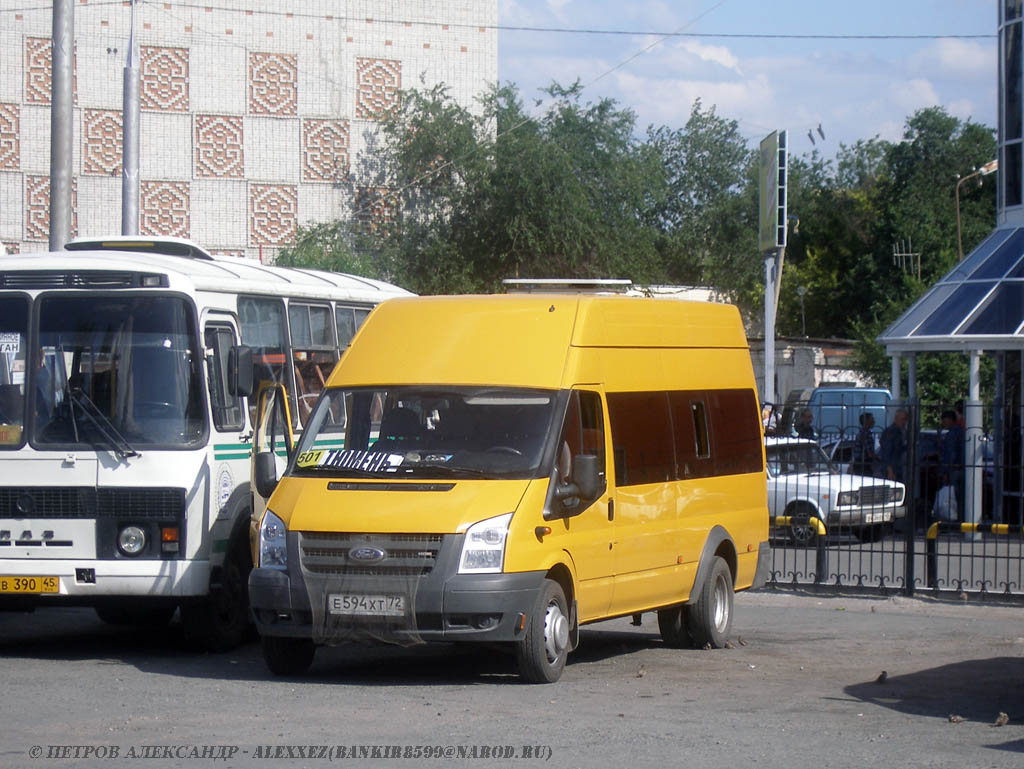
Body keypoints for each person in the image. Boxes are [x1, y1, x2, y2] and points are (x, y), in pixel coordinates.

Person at [938, 409, 965, 518]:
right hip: (960, 468)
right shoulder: (961, 432)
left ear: (950, 420)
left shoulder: (952, 434)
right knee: (960, 496)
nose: (943, 424)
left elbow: (951, 454)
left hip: (954, 469)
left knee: (955, 495)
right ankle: (961, 517)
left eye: (944, 421)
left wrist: (945, 471)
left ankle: (955, 518)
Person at [876, 408, 908, 482]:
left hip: (897, 467)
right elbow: (886, 452)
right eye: (902, 419)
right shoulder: (891, 432)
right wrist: (890, 470)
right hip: (891, 469)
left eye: (905, 420)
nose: (904, 422)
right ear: (896, 419)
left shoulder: (899, 432)